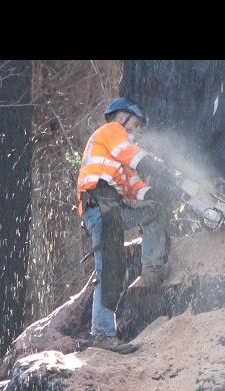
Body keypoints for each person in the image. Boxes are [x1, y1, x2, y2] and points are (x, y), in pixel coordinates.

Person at [77, 97, 174, 354]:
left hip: (112, 206)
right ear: (121, 117)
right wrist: (154, 164)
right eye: (136, 123)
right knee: (109, 268)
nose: (137, 129)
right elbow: (132, 156)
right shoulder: (112, 132)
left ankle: (153, 271)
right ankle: (102, 333)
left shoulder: (118, 153)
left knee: (154, 212)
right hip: (100, 202)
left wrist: (154, 194)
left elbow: (133, 185)